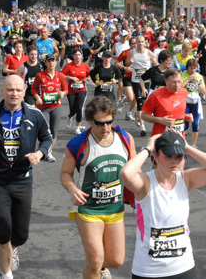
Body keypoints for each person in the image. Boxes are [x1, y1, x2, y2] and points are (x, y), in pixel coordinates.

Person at [0, 75, 53, 279]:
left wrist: (39, 154)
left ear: (24, 92)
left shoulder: (34, 115)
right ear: (2, 91)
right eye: (9, 90)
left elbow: (47, 138)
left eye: (18, 90)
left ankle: (12, 248)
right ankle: (6, 274)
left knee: (20, 235)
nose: (14, 93)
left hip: (23, 180)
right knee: (3, 230)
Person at [120, 129, 206, 279]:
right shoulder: (145, 182)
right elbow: (126, 173)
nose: (174, 161)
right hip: (149, 270)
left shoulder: (186, 179)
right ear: (156, 156)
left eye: (179, 156)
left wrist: (187, 147)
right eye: (169, 156)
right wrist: (147, 148)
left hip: (183, 267)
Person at [60, 96, 136, 279]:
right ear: (89, 121)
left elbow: (135, 169)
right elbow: (65, 174)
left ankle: (99, 268)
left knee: (116, 260)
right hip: (88, 209)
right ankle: (94, 269)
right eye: (100, 123)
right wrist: (72, 189)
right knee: (94, 261)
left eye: (109, 122)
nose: (106, 128)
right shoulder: (79, 144)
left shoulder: (125, 139)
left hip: (115, 208)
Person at [31, 54, 68, 162]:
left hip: (56, 106)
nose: (51, 63)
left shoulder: (60, 75)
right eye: (49, 61)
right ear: (46, 63)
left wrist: (63, 93)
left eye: (53, 61)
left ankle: (48, 152)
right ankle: (41, 150)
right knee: (43, 131)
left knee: (54, 131)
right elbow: (33, 89)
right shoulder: (40, 75)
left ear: (56, 62)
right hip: (43, 107)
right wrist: (37, 97)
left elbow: (66, 89)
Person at [141, 67, 192, 137]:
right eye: (174, 82)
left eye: (179, 82)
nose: (177, 85)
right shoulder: (156, 95)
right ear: (166, 82)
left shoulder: (184, 92)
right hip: (161, 138)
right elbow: (143, 116)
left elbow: (175, 110)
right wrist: (159, 120)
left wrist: (186, 116)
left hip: (179, 137)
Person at [62, 49, 91, 135]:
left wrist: (89, 79)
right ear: (73, 57)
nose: (78, 57)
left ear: (81, 56)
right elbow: (62, 75)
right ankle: (70, 116)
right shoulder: (69, 66)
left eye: (79, 55)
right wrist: (71, 78)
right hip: (71, 90)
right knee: (72, 108)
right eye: (76, 55)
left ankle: (77, 128)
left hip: (82, 90)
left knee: (79, 108)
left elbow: (88, 76)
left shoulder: (85, 66)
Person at [182, 58, 205, 148]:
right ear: (187, 67)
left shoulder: (199, 76)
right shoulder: (183, 75)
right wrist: (188, 79)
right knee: (184, 124)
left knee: (195, 124)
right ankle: (182, 141)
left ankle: (193, 145)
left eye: (194, 68)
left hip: (195, 103)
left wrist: (198, 83)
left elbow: (204, 91)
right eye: (191, 68)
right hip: (186, 102)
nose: (193, 70)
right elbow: (179, 87)